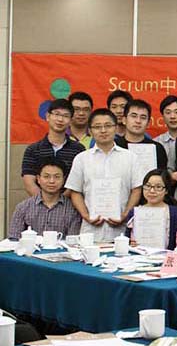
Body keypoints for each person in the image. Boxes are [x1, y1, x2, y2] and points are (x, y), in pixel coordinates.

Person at [64, 109, 142, 242]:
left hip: (122, 232)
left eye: (108, 125)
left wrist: (125, 214)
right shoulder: (82, 158)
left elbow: (136, 189)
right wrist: (86, 215)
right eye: (97, 127)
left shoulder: (131, 157)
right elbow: (75, 191)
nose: (103, 130)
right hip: (90, 232)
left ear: (116, 128)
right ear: (90, 131)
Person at [22, 99, 85, 196]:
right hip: (39, 203)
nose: (60, 119)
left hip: (69, 203)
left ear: (71, 120)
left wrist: (61, 202)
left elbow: (78, 182)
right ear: (48, 116)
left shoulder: (79, 150)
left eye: (65, 116)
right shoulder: (33, 149)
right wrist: (45, 202)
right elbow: (29, 183)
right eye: (56, 114)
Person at [9, 159, 81, 239]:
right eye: (46, 176)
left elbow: (73, 241)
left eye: (57, 177)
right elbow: (14, 239)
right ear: (38, 179)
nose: (51, 181)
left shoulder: (73, 209)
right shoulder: (23, 207)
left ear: (64, 179)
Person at [125, 169, 177, 250]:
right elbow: (127, 240)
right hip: (140, 256)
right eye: (148, 186)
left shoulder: (175, 213)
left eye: (158, 187)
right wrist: (130, 244)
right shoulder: (134, 213)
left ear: (166, 190)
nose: (152, 191)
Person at [114, 99, 168, 174]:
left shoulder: (157, 148)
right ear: (124, 120)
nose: (138, 121)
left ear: (148, 123)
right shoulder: (114, 146)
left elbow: (162, 177)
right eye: (134, 116)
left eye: (143, 117)